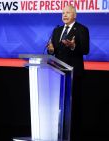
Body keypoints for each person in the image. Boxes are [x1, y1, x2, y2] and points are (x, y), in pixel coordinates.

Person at [47, 5, 90, 141]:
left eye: (68, 13)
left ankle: (74, 135)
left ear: (74, 15)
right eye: (63, 13)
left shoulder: (82, 29)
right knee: (58, 105)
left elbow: (85, 50)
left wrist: (73, 46)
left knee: (73, 106)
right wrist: (51, 50)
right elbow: (53, 51)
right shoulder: (57, 30)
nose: (64, 15)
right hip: (57, 73)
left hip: (74, 74)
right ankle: (58, 131)